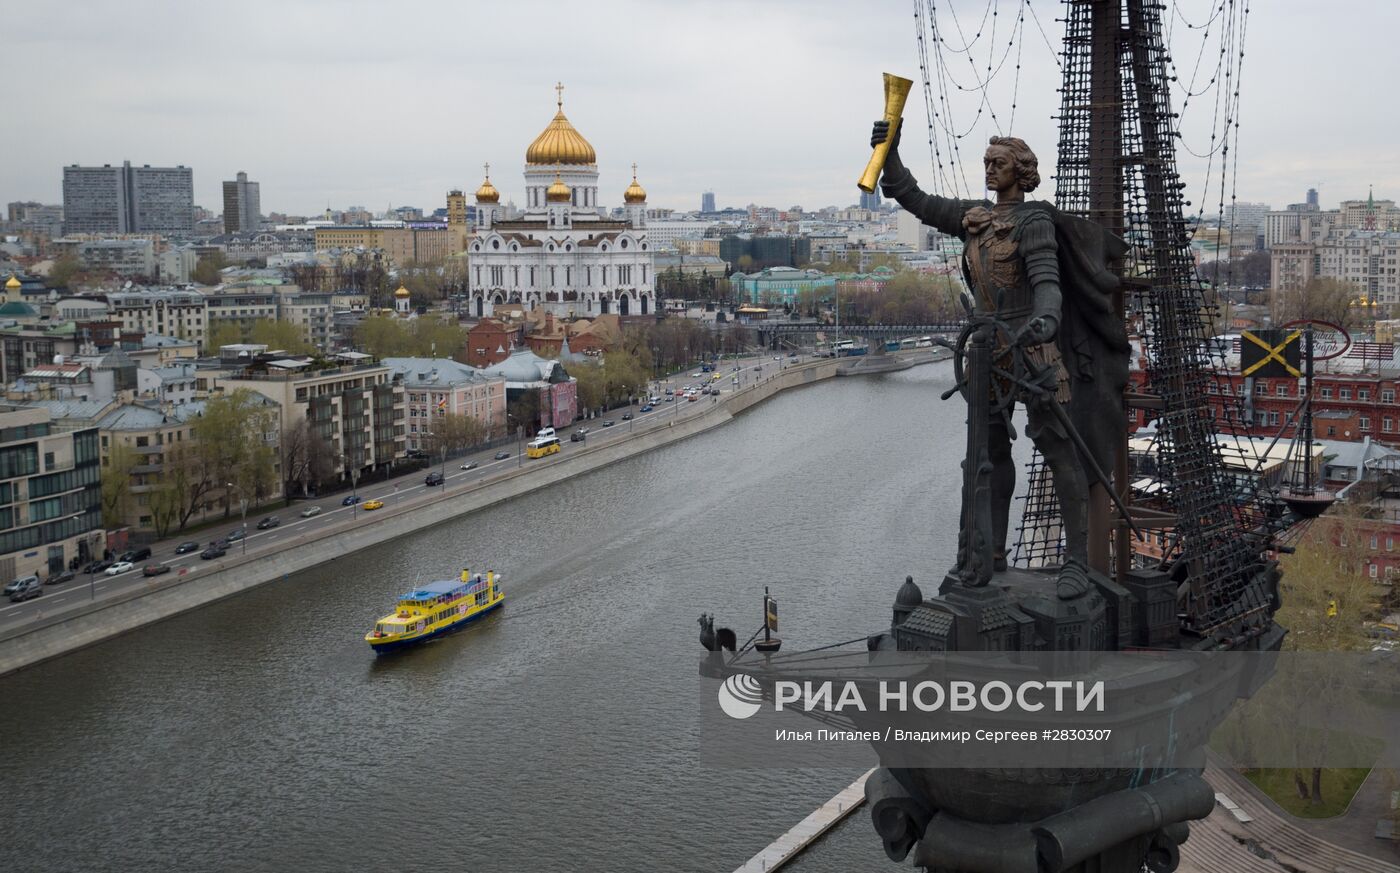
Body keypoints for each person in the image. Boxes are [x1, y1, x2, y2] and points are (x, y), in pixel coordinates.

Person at [871, 120, 1128, 597]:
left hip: (1033, 347)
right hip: (988, 352)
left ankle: (1075, 561)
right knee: (986, 454)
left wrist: (1047, 321)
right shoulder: (975, 217)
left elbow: (1048, 285)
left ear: (1022, 171)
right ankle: (986, 554)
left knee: (1059, 452)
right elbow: (915, 199)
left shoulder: (1034, 224)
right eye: (987, 163)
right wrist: (889, 151)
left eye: (999, 163)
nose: (990, 170)